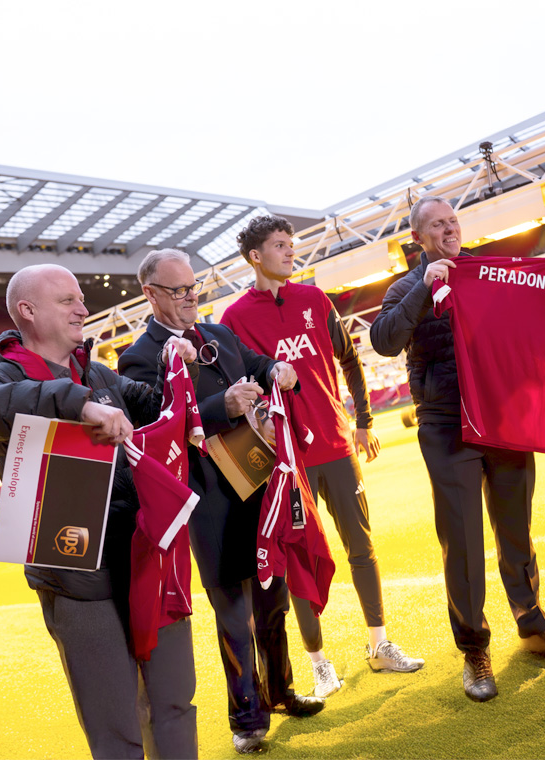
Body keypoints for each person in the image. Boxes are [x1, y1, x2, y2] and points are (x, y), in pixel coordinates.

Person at [0, 264, 198, 759]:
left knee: (175, 702)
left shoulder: (99, 371)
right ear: (28, 311)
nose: (83, 309)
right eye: (68, 300)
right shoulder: (0, 377)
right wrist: (77, 404)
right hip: (73, 577)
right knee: (117, 727)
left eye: (81, 299)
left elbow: (164, 412)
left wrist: (194, 378)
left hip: (146, 555)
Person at [370, 196, 545, 703]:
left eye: (452, 220)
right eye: (436, 225)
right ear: (418, 238)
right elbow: (383, 341)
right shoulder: (404, 287)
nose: (448, 229)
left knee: (517, 528)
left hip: (500, 414)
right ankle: (474, 650)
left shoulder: (489, 273)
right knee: (462, 542)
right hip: (445, 424)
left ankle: (533, 627)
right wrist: (422, 291)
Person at [118, 249, 324, 755]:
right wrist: (218, 407)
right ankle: (247, 718)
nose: (191, 297)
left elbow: (255, 361)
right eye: (179, 290)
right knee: (234, 614)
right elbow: (155, 422)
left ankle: (281, 691)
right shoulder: (139, 358)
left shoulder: (219, 334)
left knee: (273, 595)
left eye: (194, 287)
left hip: (256, 481)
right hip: (209, 499)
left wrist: (276, 368)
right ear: (151, 294)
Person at [221, 215, 425, 698]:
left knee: (362, 546)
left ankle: (379, 645)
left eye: (292, 244)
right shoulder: (233, 320)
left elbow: (351, 361)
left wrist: (363, 421)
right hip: (284, 461)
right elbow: (236, 392)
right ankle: (318, 663)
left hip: (335, 446)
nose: (291, 252)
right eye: (279, 246)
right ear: (256, 256)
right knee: (298, 560)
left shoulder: (315, 300)